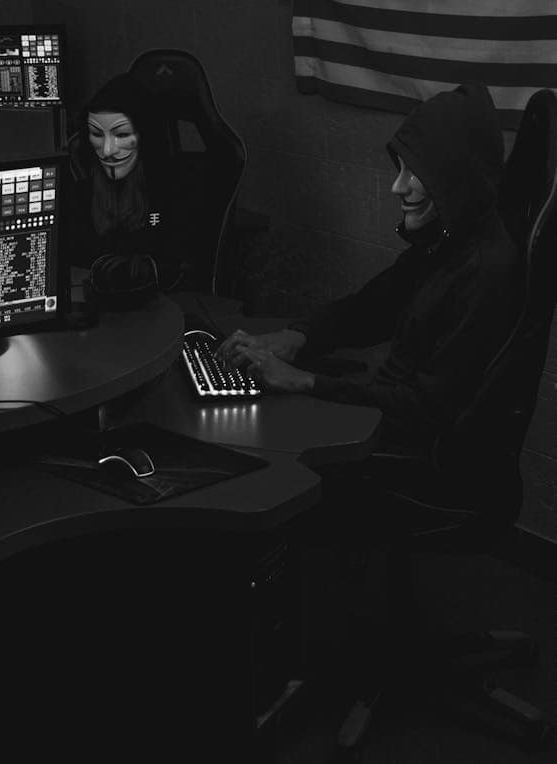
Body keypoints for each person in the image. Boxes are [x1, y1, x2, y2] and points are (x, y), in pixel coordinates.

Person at [217, 82, 521, 509]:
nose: (398, 187)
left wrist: (304, 380)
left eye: (415, 173)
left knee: (252, 458)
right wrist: (296, 337)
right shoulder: (450, 238)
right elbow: (372, 307)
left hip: (411, 448)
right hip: (383, 415)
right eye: (400, 169)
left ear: (456, 177)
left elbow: (425, 410)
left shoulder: (484, 271)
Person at [66, 71, 195, 297]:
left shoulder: (169, 189)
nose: (107, 150)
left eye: (122, 134)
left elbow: (175, 264)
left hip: (156, 309)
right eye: (97, 134)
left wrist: (144, 268)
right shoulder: (82, 187)